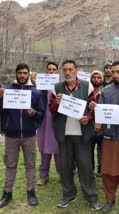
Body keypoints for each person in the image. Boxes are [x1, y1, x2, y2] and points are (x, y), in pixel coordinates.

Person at [49, 60, 100, 210]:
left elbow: (93, 107)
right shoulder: (57, 88)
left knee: (85, 167)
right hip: (64, 134)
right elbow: (51, 111)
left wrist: (88, 117)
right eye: (65, 70)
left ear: (76, 70)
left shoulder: (87, 86)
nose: (68, 73)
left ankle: (91, 197)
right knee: (65, 167)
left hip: (81, 134)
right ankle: (68, 194)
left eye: (70, 69)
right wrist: (56, 103)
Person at [90, 61, 119, 213]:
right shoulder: (107, 90)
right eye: (113, 71)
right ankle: (109, 200)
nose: (115, 74)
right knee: (108, 172)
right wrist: (98, 123)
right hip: (109, 137)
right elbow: (101, 112)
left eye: (118, 72)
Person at [0, 63, 45, 208]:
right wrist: (0, 99)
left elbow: (41, 114)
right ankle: (7, 193)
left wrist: (35, 114)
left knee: (30, 164)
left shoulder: (36, 92)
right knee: (10, 164)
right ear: (16, 74)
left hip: (29, 135)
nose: (22, 75)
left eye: (25, 73)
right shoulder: (7, 90)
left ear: (28, 74)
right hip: (11, 135)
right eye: (19, 73)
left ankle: (31, 192)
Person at [36, 62, 61, 186]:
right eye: (49, 69)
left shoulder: (61, 86)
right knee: (44, 149)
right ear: (46, 72)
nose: (51, 72)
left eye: (54, 69)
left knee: (59, 150)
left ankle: (62, 174)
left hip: (57, 122)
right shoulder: (40, 86)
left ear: (57, 72)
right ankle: (43, 175)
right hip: (44, 123)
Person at [90, 70, 104, 177]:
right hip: (89, 126)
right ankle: (90, 169)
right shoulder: (87, 92)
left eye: (98, 77)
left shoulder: (105, 92)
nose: (96, 79)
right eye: (94, 77)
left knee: (101, 150)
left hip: (102, 127)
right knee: (89, 150)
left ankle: (101, 168)